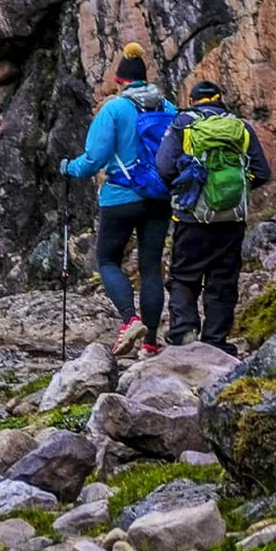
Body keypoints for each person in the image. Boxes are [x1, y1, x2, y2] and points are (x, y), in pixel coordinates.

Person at [60, 43, 176, 358]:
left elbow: (93, 159)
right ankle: (151, 344)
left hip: (120, 197)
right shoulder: (168, 108)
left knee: (108, 260)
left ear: (119, 80)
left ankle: (130, 319)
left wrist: (68, 167)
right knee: (152, 268)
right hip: (159, 197)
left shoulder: (113, 109)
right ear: (145, 79)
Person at [155, 81, 272, 353]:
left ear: (194, 100)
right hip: (232, 219)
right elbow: (262, 172)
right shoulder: (240, 127)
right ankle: (216, 340)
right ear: (219, 100)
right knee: (223, 280)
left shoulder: (182, 124)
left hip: (191, 217)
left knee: (184, 276)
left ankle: (184, 331)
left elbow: (163, 167)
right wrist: (232, 193)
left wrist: (188, 191)